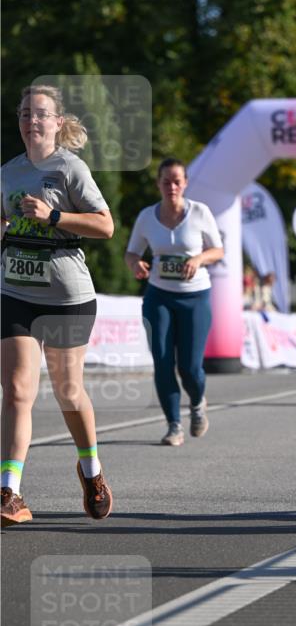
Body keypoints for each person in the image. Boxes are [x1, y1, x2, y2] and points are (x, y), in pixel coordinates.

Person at [1, 84, 115, 527]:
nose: (32, 121)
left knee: (68, 392)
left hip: (67, 296)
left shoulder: (71, 169)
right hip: (14, 291)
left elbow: (105, 225)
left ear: (58, 123)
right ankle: (10, 491)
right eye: (26, 113)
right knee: (17, 391)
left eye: (41, 114)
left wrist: (52, 215)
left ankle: (92, 472)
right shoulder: (8, 172)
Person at [125, 159, 224, 446]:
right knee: (163, 361)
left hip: (195, 297)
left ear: (185, 183)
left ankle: (196, 404)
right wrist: (136, 266)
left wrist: (198, 258)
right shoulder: (146, 217)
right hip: (159, 296)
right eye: (166, 181)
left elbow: (218, 250)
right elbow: (131, 253)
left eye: (177, 181)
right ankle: (173, 426)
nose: (172, 187)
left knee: (191, 368)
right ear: (158, 184)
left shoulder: (200, 213)